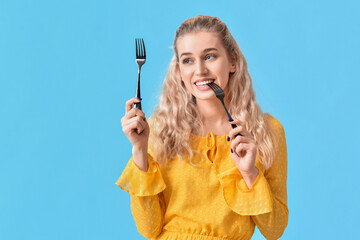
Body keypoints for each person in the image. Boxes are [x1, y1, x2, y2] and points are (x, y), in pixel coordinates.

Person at [116, 15, 288, 240]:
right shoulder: (159, 129)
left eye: (210, 56)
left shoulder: (267, 131)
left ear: (233, 61)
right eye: (188, 60)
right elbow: (149, 229)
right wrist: (139, 150)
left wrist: (250, 173)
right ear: (179, 71)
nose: (200, 70)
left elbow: (274, 231)